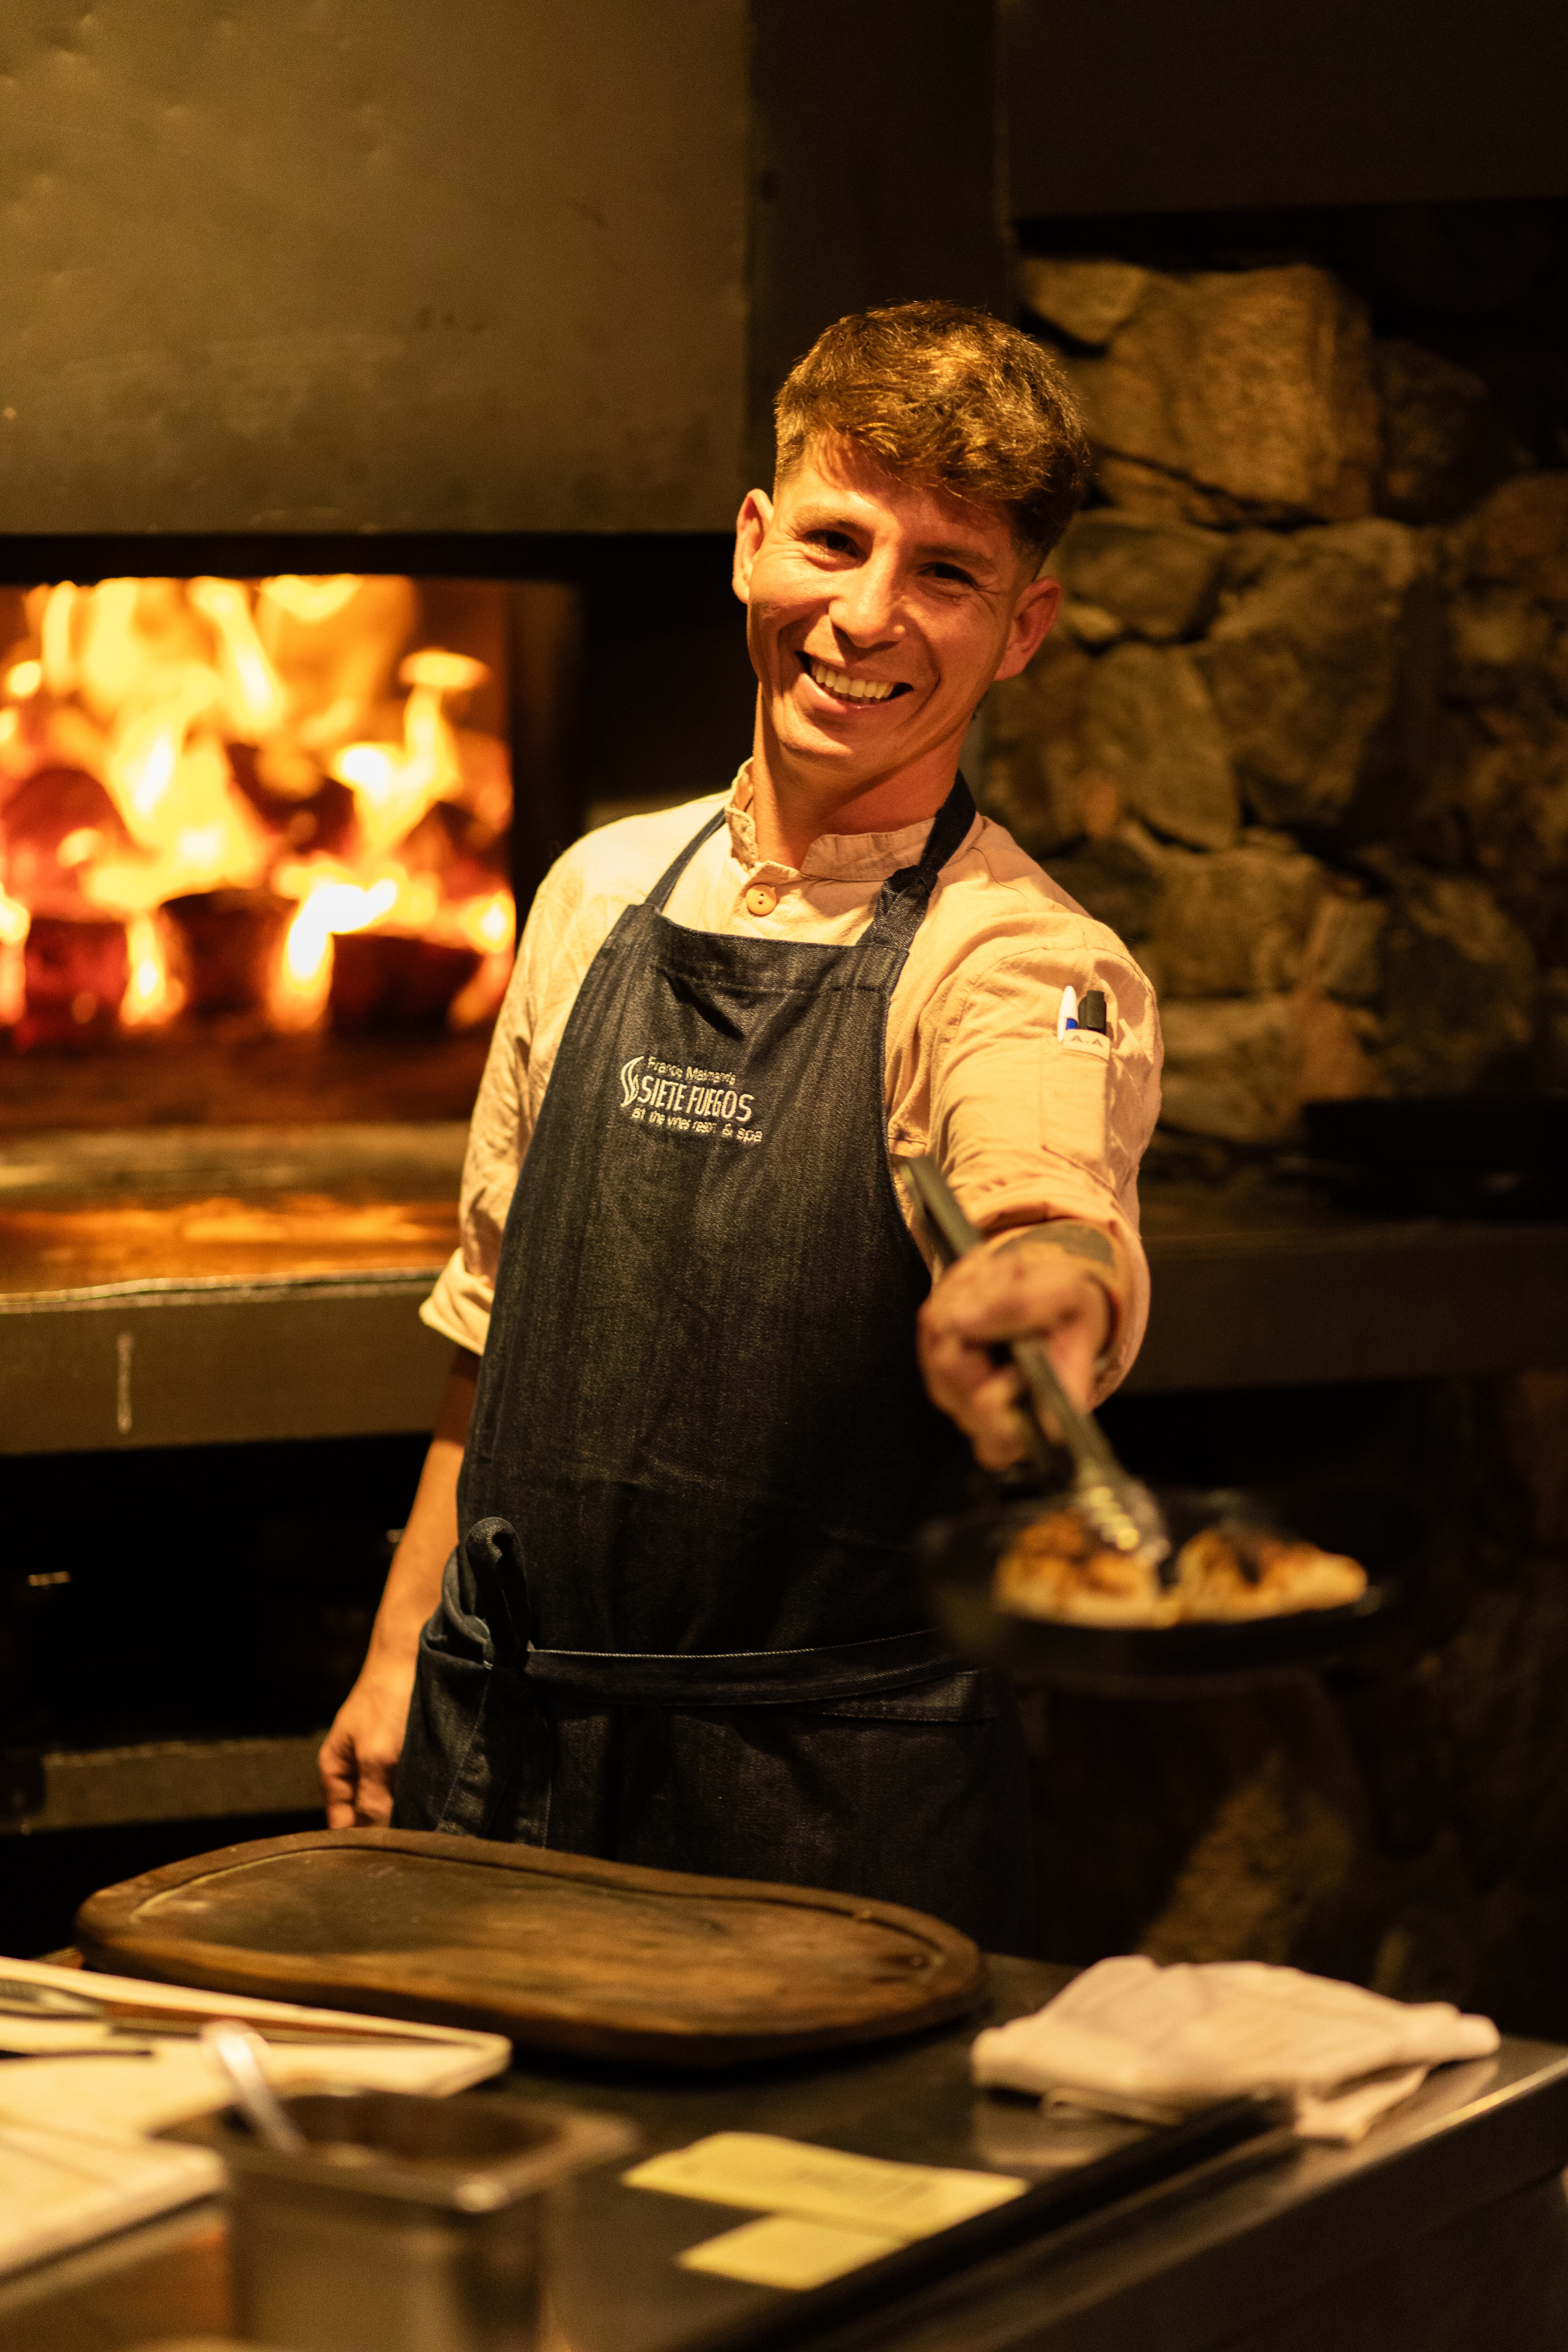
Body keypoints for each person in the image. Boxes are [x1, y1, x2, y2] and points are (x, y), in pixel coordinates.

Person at [319, 301, 1161, 1953]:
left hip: (827, 1819)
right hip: (510, 1774)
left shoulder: (1025, 956)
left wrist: (1050, 1285)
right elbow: (491, 1316)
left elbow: (1045, 1178)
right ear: (750, 543)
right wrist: (403, 1646)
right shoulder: (593, 890)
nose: (867, 617)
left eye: (947, 574)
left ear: (1024, 628)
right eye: (838, 542)